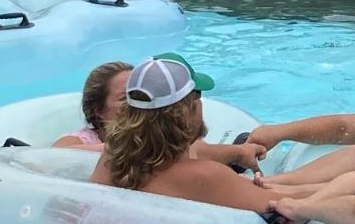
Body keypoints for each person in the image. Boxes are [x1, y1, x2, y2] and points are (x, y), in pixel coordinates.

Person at [88, 55, 288, 215]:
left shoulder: (112, 159)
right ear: (187, 110)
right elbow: (288, 209)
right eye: (198, 95)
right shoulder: (203, 176)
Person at [53, 58, 267, 173]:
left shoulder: (163, 137)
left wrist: (238, 153)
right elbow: (51, 158)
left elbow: (197, 150)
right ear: (98, 111)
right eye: (125, 98)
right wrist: (139, 143)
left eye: (139, 95)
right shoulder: (79, 140)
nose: (137, 104)